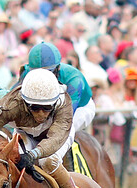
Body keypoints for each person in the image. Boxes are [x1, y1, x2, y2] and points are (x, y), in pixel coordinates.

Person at [15, 42, 96, 174]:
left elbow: (67, 114)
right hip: (49, 106)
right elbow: (12, 100)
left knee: (66, 127)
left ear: (57, 68)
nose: (41, 79)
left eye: (47, 73)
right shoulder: (25, 73)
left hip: (81, 106)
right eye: (36, 74)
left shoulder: (74, 78)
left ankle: (54, 161)